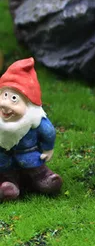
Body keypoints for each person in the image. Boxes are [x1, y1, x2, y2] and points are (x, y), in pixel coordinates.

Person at [0, 57, 62, 200]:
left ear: (29, 103)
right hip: (3, 159)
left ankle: (45, 180)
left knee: (37, 170)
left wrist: (48, 149)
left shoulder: (35, 119)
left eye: (14, 99)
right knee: (5, 173)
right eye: (4, 95)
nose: (5, 104)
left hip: (29, 155)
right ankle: (8, 187)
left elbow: (48, 132)